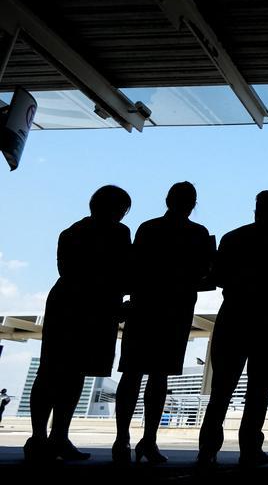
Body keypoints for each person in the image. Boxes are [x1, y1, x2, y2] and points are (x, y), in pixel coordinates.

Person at [26, 185, 132, 462]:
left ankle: (40, 438)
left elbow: (70, 272)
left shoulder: (72, 232)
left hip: (67, 305)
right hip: (95, 308)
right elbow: (123, 273)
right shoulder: (120, 233)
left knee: (52, 371)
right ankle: (57, 436)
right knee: (73, 374)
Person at [197, 191, 268, 466]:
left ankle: (208, 448)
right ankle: (250, 447)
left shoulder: (232, 238)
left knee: (221, 389)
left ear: (255, 209)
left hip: (234, 316)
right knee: (259, 390)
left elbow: (217, 277)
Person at [113, 182, 213, 464]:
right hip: (176, 310)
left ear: (168, 200)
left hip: (144, 307)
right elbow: (205, 274)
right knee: (159, 377)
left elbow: (133, 267)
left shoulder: (148, 228)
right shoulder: (199, 234)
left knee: (131, 374)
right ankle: (149, 440)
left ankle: (122, 439)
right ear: (193, 204)